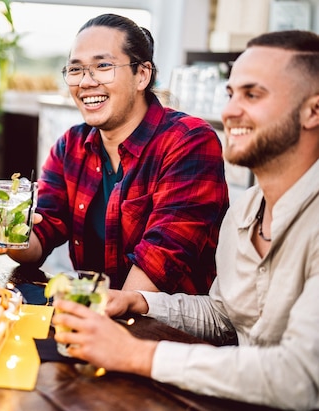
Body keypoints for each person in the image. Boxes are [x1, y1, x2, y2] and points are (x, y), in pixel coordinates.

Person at [52, 30, 319, 410]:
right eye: (231, 94)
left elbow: (302, 378)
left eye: (253, 95)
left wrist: (135, 355)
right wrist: (134, 302)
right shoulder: (244, 212)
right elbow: (224, 319)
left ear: (314, 111)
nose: (229, 112)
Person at [0, 14, 228, 294]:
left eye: (103, 66)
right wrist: (11, 236)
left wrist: (96, 317)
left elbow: (161, 263)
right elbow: (40, 237)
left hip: (169, 329)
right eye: (75, 69)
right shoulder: (71, 145)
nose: (86, 82)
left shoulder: (188, 140)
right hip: (97, 316)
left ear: (142, 75)